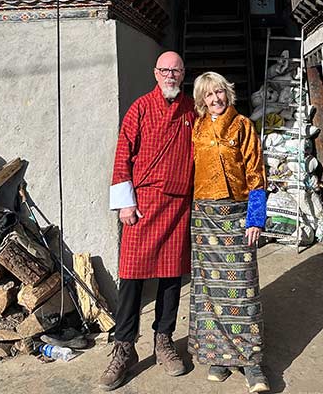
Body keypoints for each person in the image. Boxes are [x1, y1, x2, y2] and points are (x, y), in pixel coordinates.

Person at [100, 51, 194, 391]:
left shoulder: (192, 111)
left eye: (176, 70)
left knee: (171, 278)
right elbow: (122, 154)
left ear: (183, 74)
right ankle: (124, 347)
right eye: (165, 70)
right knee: (132, 278)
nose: (170, 75)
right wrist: (125, 204)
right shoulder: (139, 108)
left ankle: (164, 341)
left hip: (178, 205)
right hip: (141, 204)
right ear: (156, 73)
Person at [188, 71, 270, 394]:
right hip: (205, 216)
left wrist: (255, 218)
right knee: (210, 290)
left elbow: (257, 173)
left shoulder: (244, 126)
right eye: (209, 95)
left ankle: (252, 362)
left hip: (237, 216)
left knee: (243, 285)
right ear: (201, 101)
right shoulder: (197, 128)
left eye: (220, 92)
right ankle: (218, 356)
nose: (216, 99)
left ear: (228, 94)